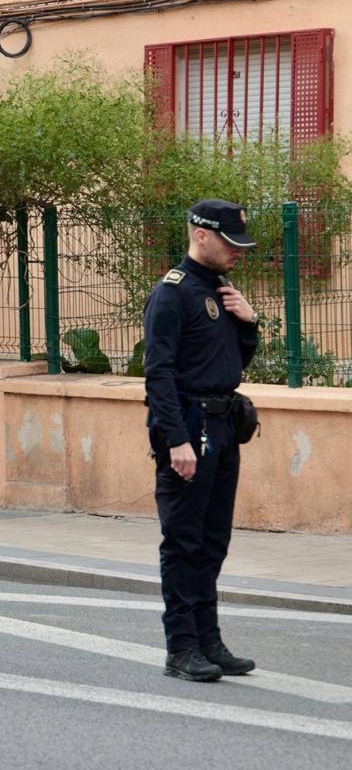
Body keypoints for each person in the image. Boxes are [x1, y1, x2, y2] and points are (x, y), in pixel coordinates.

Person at [143, 199, 260, 682]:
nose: (238, 252)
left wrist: (249, 324)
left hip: (224, 426)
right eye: (230, 242)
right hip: (190, 429)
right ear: (201, 234)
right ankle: (182, 647)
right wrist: (176, 440)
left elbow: (231, 364)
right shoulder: (171, 294)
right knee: (184, 542)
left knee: (213, 541)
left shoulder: (223, 291)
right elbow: (159, 374)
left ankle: (209, 640)